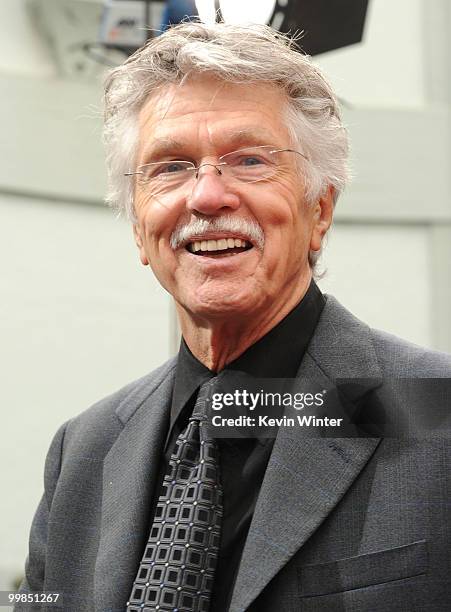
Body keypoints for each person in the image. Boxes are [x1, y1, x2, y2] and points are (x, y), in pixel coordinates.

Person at [17, 22, 451, 612]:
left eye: (248, 160)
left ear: (319, 209)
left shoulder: (436, 415)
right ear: (141, 227)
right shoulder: (82, 452)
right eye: (169, 167)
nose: (207, 195)